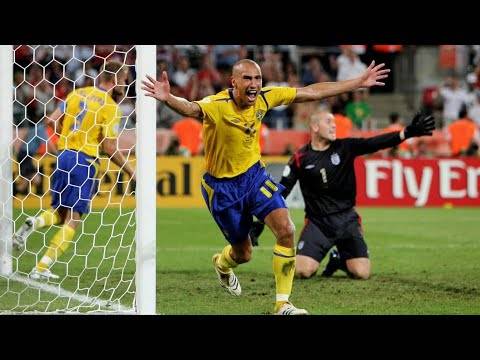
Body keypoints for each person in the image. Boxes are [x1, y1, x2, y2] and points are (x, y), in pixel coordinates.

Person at [141, 58, 390, 315]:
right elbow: (192, 109)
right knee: (244, 254)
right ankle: (222, 263)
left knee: (286, 229)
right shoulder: (217, 105)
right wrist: (169, 98)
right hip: (223, 189)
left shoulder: (265, 98)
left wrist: (357, 83)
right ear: (233, 82)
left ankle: (282, 304)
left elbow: (312, 91)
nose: (254, 84)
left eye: (258, 79)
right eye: (247, 79)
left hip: (254, 177)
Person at [250, 109, 435, 280]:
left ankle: (338, 259)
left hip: (347, 220)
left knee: (361, 273)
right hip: (318, 223)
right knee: (302, 271)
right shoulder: (300, 158)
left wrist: (407, 132)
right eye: (328, 121)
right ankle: (328, 254)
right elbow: (283, 189)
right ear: (314, 126)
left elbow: (375, 142)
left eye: (335, 123)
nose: (333, 125)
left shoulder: (345, 147)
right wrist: (261, 220)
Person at [13, 60, 135, 280]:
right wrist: (130, 170)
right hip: (84, 161)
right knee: (74, 218)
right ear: (115, 79)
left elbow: (50, 121)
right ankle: (41, 268)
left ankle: (33, 223)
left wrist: (67, 139)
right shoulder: (109, 106)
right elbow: (108, 147)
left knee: (60, 213)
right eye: (124, 81)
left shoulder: (77, 94)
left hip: (64, 155)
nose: (125, 86)